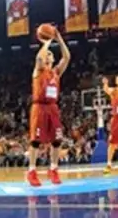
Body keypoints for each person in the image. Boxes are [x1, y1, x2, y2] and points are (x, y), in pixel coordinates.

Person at [26, 29, 70, 187]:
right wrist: (46, 43)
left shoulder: (56, 72)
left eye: (50, 54)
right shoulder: (38, 71)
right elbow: (38, 57)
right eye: (47, 54)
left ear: (52, 59)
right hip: (39, 107)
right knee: (36, 141)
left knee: (57, 140)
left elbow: (66, 57)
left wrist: (59, 39)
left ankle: (54, 169)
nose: (47, 55)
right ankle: (31, 171)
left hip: (53, 107)